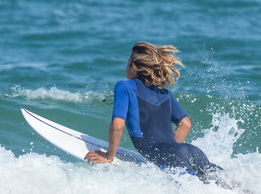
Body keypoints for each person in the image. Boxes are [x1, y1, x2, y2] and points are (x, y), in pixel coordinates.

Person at [85, 42, 222, 183]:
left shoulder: (124, 87)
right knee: (231, 187)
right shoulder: (165, 93)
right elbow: (185, 124)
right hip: (192, 152)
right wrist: (171, 150)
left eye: (128, 61)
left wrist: (109, 156)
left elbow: (118, 125)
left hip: (174, 158)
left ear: (133, 65)